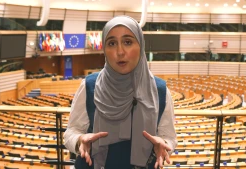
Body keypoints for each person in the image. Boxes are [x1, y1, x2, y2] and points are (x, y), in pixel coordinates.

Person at [64, 15, 176, 169]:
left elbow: (169, 137)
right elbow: (71, 132)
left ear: (141, 45)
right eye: (112, 43)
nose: (120, 51)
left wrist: (164, 144)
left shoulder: (160, 90)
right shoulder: (90, 86)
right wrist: (79, 141)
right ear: (105, 49)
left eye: (128, 42)